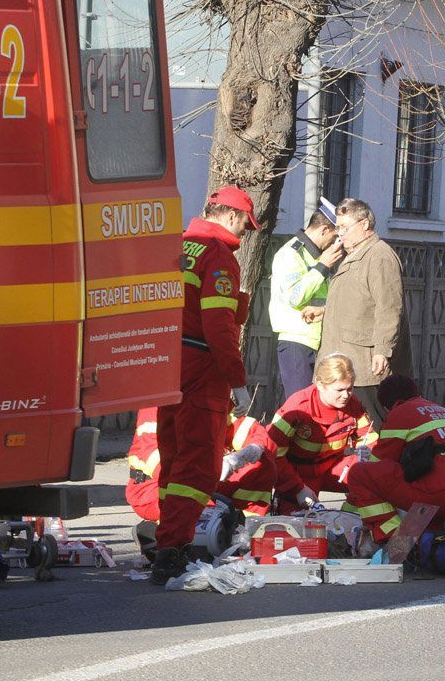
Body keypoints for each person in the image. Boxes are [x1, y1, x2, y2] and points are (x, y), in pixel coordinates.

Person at [150, 186, 256, 585]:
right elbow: (218, 326)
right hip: (201, 368)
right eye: (245, 224)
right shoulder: (217, 256)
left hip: (168, 362)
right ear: (230, 216)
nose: (245, 233)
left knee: (173, 457)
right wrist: (237, 379)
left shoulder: (177, 245)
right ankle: (171, 550)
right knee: (197, 465)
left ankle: (165, 540)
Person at [342, 375, 445, 546]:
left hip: (438, 496)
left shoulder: (402, 411)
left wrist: (352, 502)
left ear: (387, 407)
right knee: (430, 537)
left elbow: (377, 466)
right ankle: (424, 547)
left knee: (360, 473)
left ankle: (396, 544)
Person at [126, 406, 278, 560]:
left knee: (262, 461)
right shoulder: (157, 405)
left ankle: (248, 530)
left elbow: (245, 428)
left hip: (200, 478)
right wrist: (208, 470)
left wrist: (249, 451)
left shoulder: (203, 397)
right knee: (203, 518)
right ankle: (161, 538)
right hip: (154, 487)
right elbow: (160, 461)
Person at [317, 198, 413, 429]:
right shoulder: (354, 255)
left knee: (374, 426)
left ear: (365, 224)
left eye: (344, 227)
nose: (340, 233)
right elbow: (359, 302)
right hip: (345, 360)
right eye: (338, 227)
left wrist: (382, 350)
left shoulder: (380, 256)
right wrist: (323, 311)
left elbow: (389, 307)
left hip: (366, 364)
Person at [267, 353, 377, 506]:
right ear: (320, 385)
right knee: (296, 518)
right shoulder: (298, 407)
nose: (346, 395)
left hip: (334, 467)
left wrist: (366, 455)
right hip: (298, 474)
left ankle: (355, 515)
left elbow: (370, 439)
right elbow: (272, 453)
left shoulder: (353, 404)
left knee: (376, 476)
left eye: (350, 389)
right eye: (339, 390)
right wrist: (297, 488)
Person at [270, 201, 343, 397]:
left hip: (317, 341)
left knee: (316, 404)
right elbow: (295, 297)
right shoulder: (290, 254)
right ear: (324, 229)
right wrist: (322, 267)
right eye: (334, 237)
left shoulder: (316, 256)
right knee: (301, 404)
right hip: (297, 341)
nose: (334, 243)